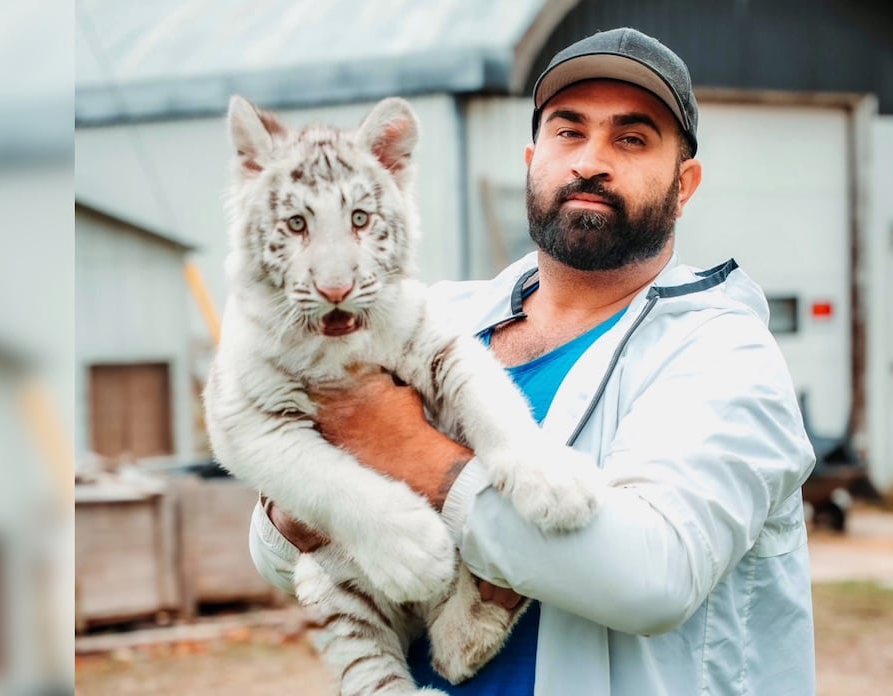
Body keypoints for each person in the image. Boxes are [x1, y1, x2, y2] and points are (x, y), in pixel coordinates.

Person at [249, 27, 817, 695]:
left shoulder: (722, 353)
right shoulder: (440, 315)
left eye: (631, 138)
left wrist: (401, 448)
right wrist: (300, 506)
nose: (590, 162)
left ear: (684, 184)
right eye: (568, 133)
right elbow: (279, 557)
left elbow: (653, 578)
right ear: (531, 160)